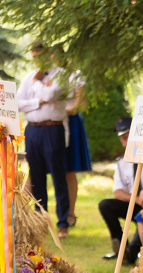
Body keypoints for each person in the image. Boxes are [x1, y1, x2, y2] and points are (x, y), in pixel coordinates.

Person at [17, 41, 71, 238]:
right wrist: (36, 102)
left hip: (52, 129)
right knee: (37, 176)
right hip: (33, 130)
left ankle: (63, 222)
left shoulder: (59, 75)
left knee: (58, 176)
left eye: (39, 55)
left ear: (47, 55)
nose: (36, 60)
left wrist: (38, 85)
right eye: (33, 56)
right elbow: (18, 103)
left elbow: (50, 94)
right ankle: (41, 219)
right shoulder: (28, 78)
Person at [98, 117, 143, 264]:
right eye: (121, 140)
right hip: (137, 201)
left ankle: (132, 252)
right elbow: (118, 192)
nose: (124, 144)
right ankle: (120, 246)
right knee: (105, 205)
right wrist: (139, 200)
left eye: (126, 138)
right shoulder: (122, 162)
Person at [64, 68, 91, 228]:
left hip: (71, 121)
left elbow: (81, 103)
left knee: (69, 170)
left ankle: (70, 213)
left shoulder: (75, 74)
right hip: (51, 125)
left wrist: (62, 111)